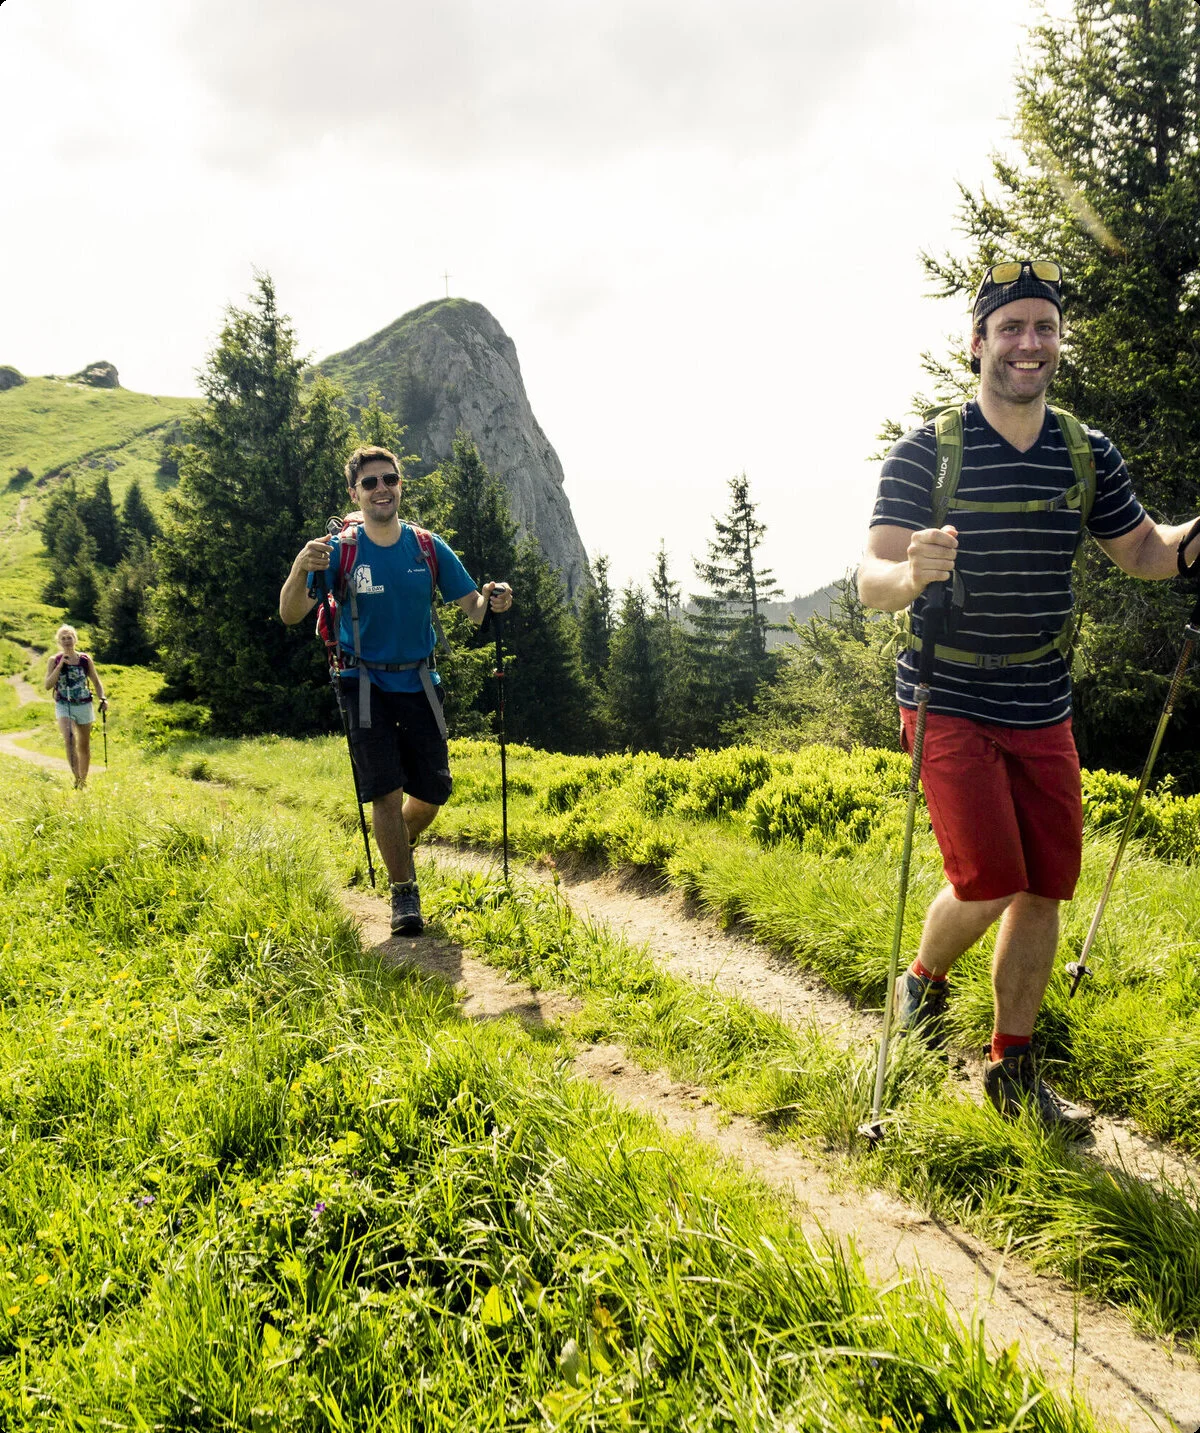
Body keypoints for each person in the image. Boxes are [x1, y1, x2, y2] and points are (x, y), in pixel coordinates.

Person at [858, 259, 1198, 1133]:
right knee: (987, 881)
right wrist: (911, 571)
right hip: (947, 693)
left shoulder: (1086, 453)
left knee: (1045, 883)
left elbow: (1147, 551)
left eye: (1043, 327)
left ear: (1059, 342)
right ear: (978, 343)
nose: (1029, 343)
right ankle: (922, 982)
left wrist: (1196, 538)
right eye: (1011, 328)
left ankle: (1013, 1068)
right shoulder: (928, 450)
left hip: (1043, 699)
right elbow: (869, 578)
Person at [279, 445, 514, 938]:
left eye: (389, 479)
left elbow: (472, 608)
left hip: (420, 681)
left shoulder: (428, 547)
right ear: (355, 493)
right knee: (384, 791)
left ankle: (395, 848)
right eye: (370, 483)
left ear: (400, 485)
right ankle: (403, 892)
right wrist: (300, 569)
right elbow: (291, 613)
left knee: (431, 794)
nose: (381, 489)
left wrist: (494, 599)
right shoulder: (337, 552)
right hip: (360, 683)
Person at [44, 625, 107, 790]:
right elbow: (47, 685)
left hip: (84, 704)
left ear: (75, 639)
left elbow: (96, 681)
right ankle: (77, 778)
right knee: (70, 738)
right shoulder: (54, 660)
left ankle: (83, 780)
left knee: (84, 744)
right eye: (63, 638)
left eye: (69, 637)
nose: (66, 641)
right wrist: (60, 666)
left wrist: (103, 698)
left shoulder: (85, 659)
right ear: (59, 641)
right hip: (63, 704)